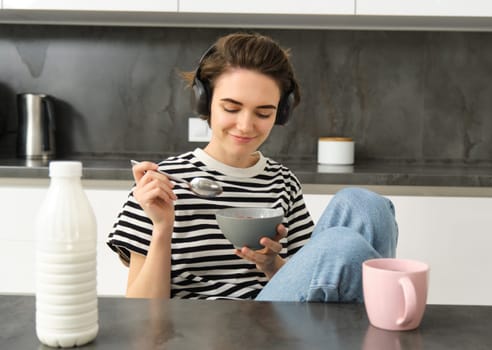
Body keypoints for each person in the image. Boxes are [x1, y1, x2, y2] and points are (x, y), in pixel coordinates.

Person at [107, 32, 398, 301]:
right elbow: (141, 313)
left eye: (263, 112)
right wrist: (162, 227)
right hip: (195, 332)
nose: (246, 126)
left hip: (272, 322)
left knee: (365, 205)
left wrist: (272, 264)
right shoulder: (161, 183)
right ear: (204, 102)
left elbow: (309, 278)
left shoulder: (282, 182)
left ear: (281, 113)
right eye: (231, 108)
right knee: (343, 246)